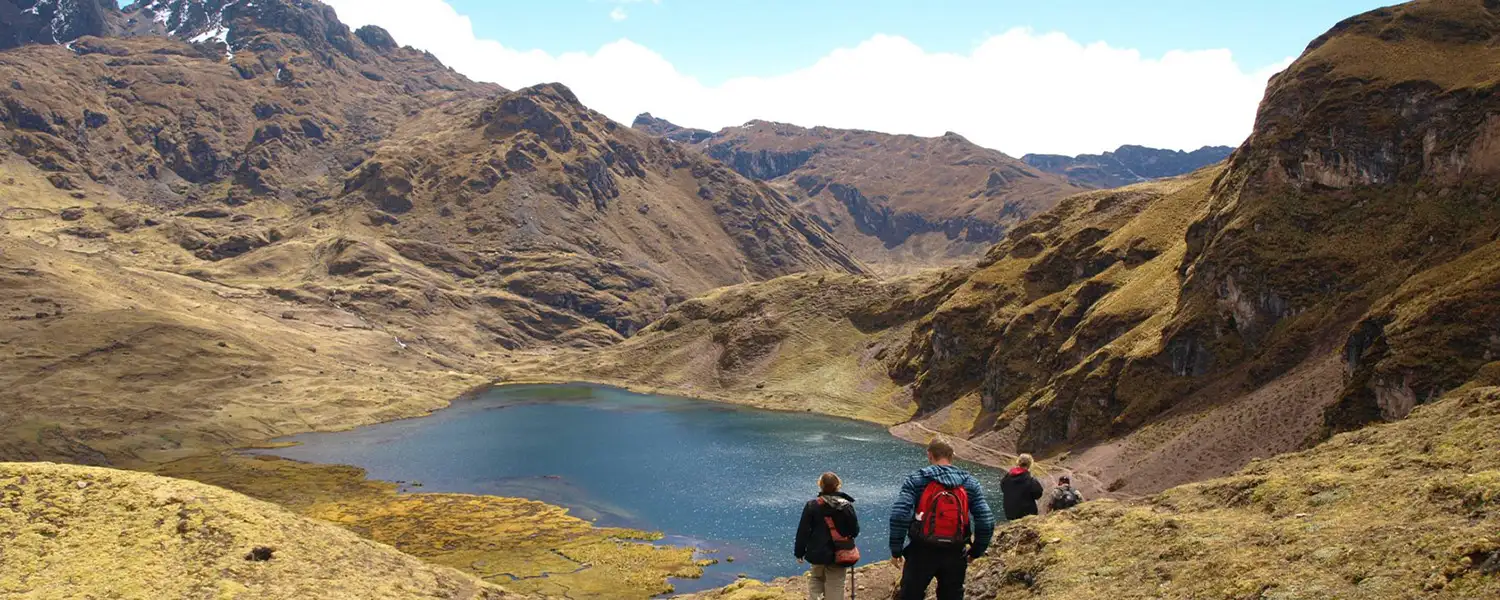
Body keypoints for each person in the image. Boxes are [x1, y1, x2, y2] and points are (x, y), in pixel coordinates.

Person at [888, 439, 996, 600]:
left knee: (911, 595)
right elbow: (986, 520)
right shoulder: (970, 483)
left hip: (921, 551)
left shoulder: (917, 480)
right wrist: (976, 551)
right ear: (952, 455)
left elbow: (900, 515)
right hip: (955, 551)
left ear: (929, 455)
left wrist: (896, 549)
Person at [795, 472, 860, 600]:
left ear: (820, 485)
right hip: (840, 552)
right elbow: (855, 531)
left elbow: (803, 532)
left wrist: (799, 552)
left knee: (816, 578)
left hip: (817, 552)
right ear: (838, 486)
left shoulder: (812, 506)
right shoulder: (846, 506)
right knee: (835, 584)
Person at [1000, 453, 1044, 521]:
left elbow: (1003, 488)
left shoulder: (1007, 477)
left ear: (1018, 462)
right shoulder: (1030, 480)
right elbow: (1038, 494)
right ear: (1030, 464)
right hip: (1027, 514)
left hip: (1010, 513)